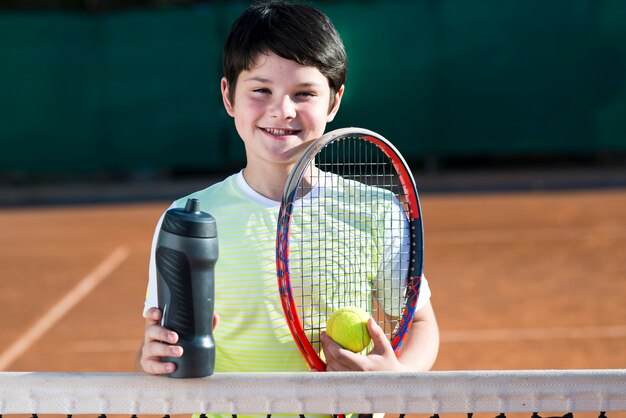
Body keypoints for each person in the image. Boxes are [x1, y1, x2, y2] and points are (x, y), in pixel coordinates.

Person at [137, 0, 438, 377]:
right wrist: (151, 356)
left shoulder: (375, 209)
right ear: (228, 96)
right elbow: (164, 342)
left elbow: (421, 325)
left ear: (334, 101)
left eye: (304, 93)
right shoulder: (185, 221)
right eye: (261, 89)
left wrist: (397, 377)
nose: (282, 110)